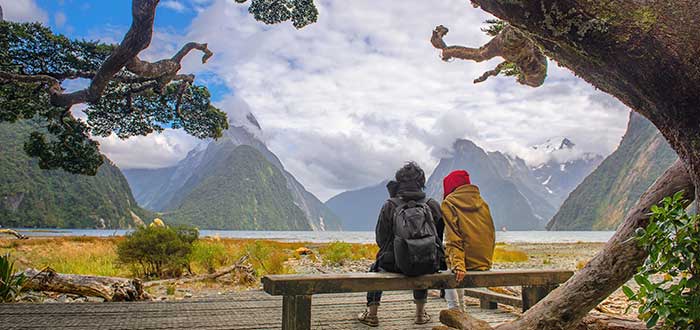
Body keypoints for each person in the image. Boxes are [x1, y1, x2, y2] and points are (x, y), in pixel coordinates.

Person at [358, 162, 445, 327]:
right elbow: (438, 238)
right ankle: (420, 314)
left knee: (376, 267)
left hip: (394, 264)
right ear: (422, 182)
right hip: (427, 264)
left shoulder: (390, 205)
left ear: (399, 182)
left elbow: (380, 239)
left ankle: (372, 314)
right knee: (423, 257)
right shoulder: (432, 204)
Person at [441, 170, 495, 311]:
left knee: (446, 264)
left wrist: (458, 264)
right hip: (483, 262)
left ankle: (454, 309)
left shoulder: (449, 203)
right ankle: (462, 307)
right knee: (453, 259)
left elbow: (453, 238)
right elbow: (490, 234)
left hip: (465, 264)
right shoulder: (482, 203)